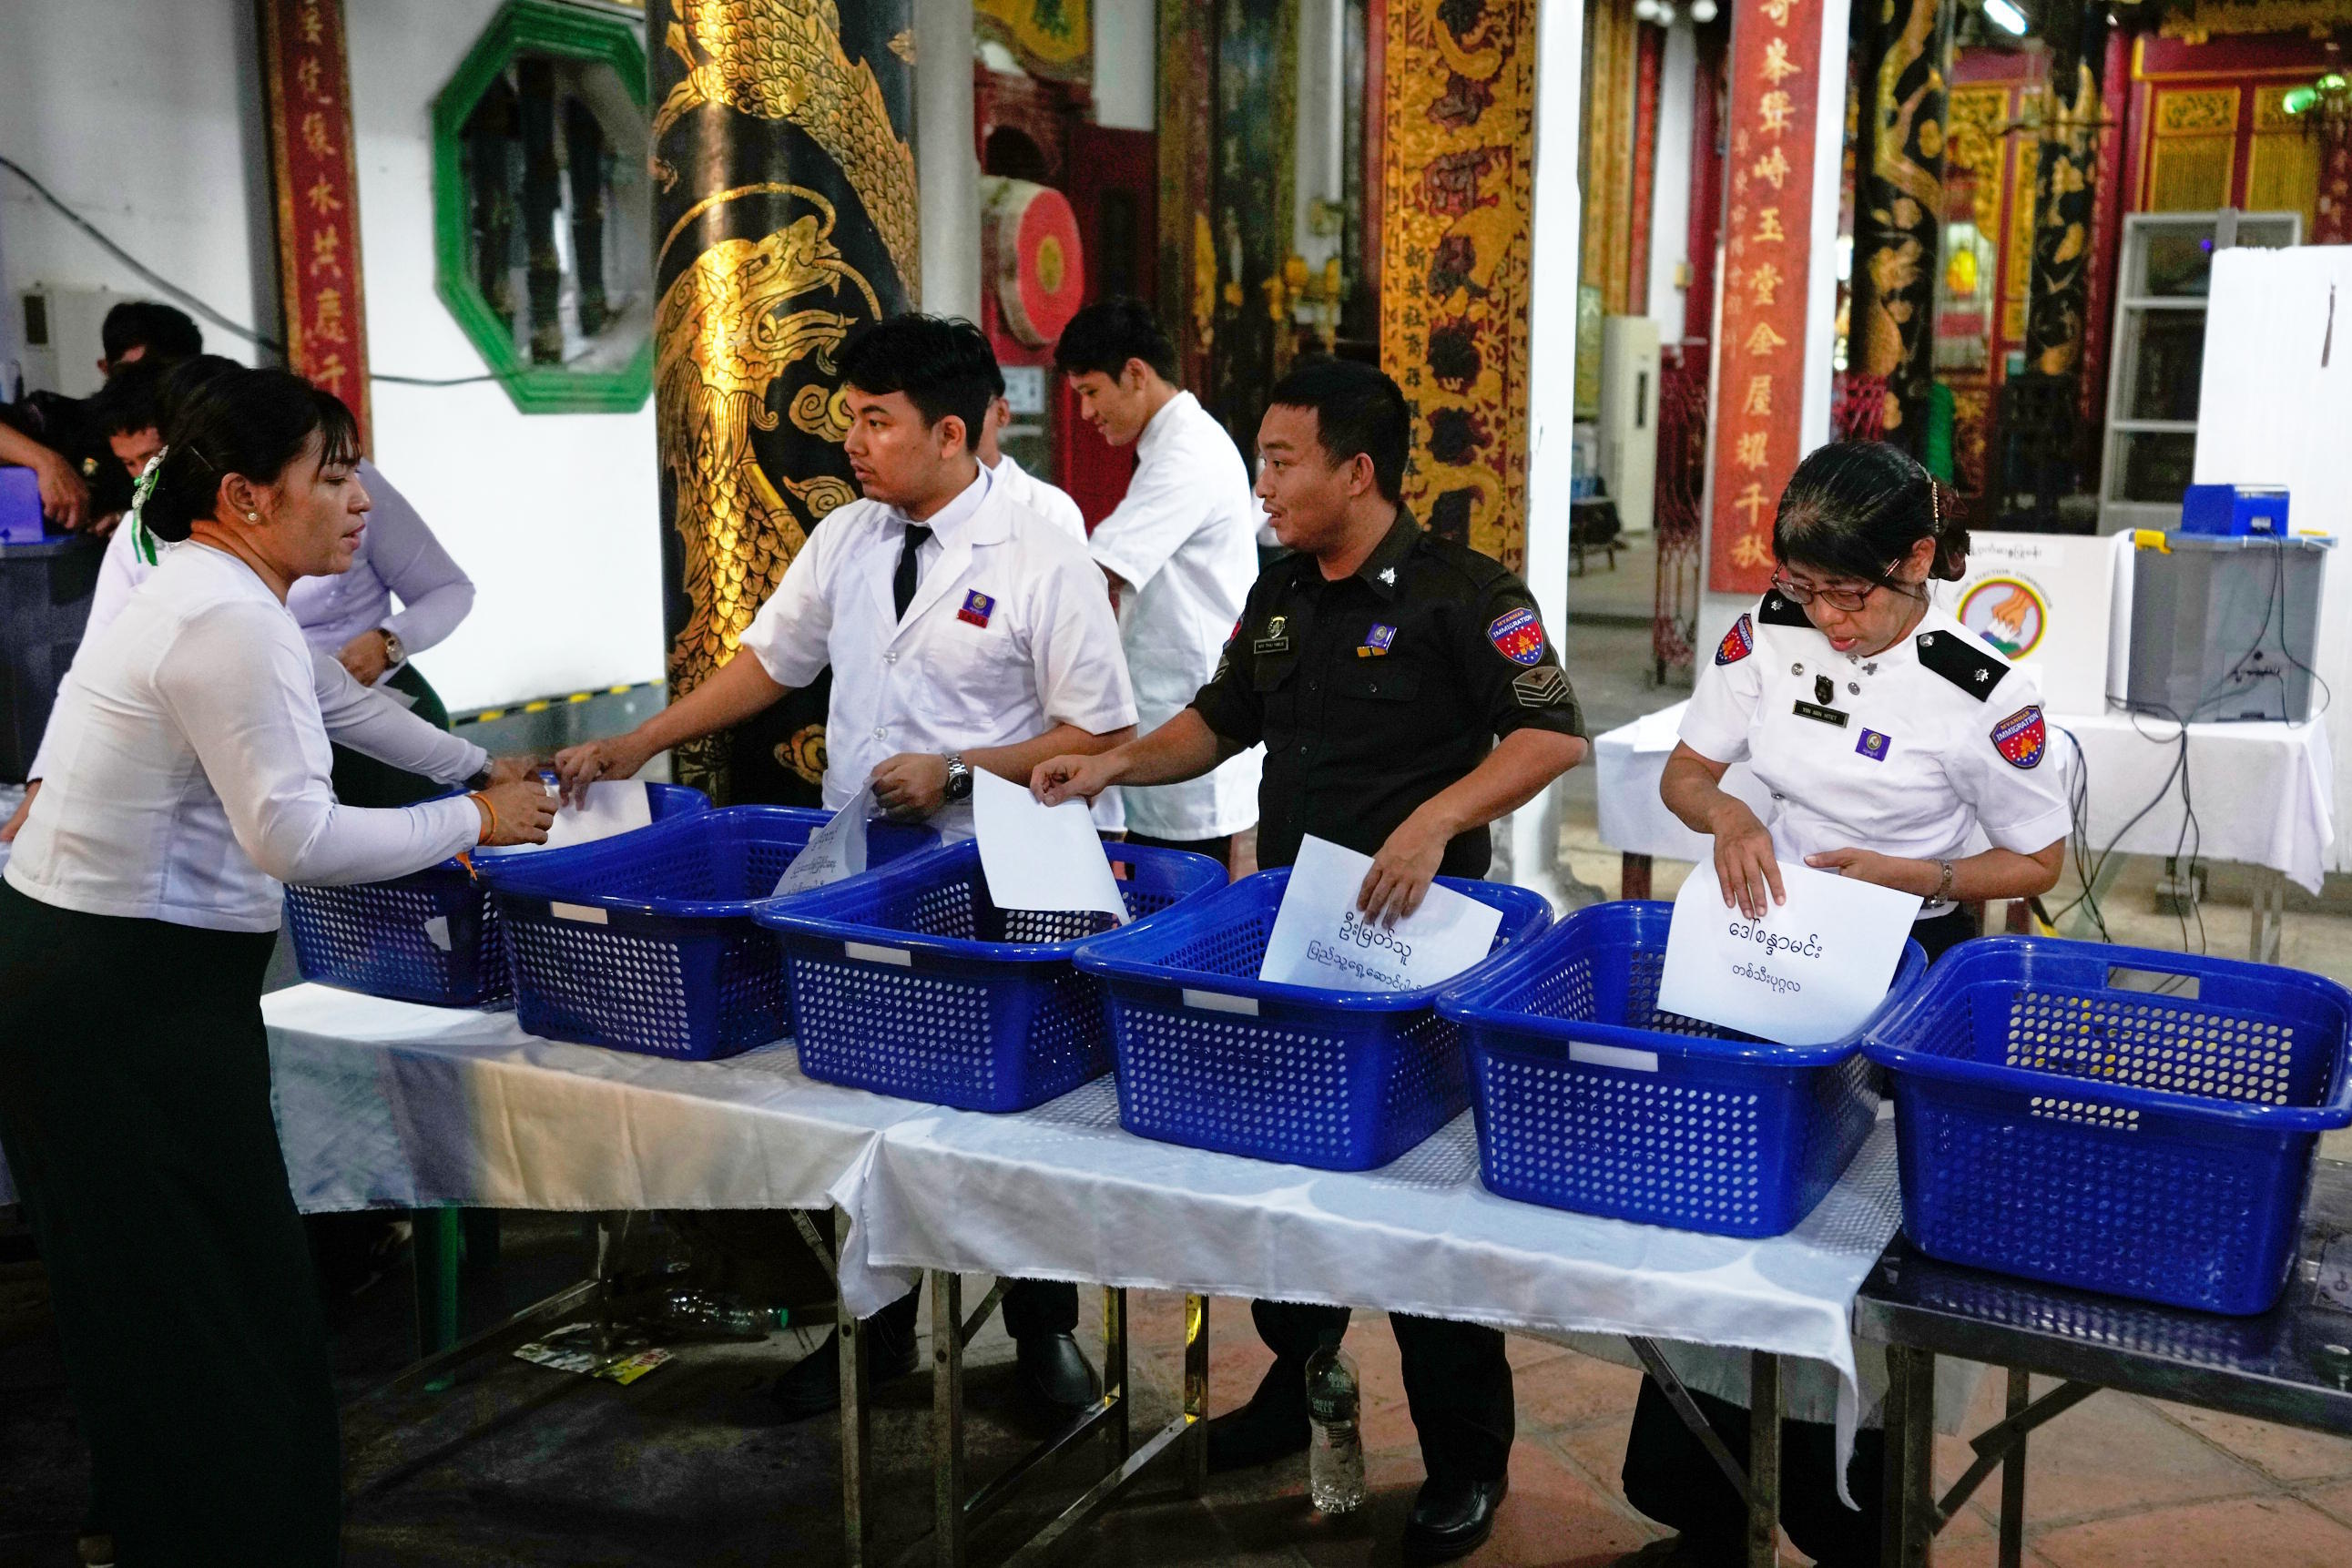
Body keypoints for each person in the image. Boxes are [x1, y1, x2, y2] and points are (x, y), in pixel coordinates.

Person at [1033, 357, 1589, 1563]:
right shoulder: (1282, 589)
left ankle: (1461, 1461)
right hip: (1294, 940)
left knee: (1419, 1221)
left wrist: (1436, 817)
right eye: (1259, 460)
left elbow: (1550, 733)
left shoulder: (1464, 595)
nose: (1263, 484)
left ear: (1355, 469)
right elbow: (1219, 717)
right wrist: (1115, 764)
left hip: (1417, 957)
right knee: (1281, 1189)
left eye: (1281, 462)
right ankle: (1294, 1386)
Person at [0, 367, 554, 1568]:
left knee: (147, 1283)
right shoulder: (225, 616)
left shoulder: (208, 580)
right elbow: (293, 837)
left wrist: (473, 770)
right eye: (333, 475)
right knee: (223, 1292)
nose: (359, 502)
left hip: (92, 970)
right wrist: (476, 823)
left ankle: (153, 1525)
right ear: (248, 495)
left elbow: (336, 707)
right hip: (125, 992)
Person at [553, 313, 1136, 1417]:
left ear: (954, 432)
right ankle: (876, 1338)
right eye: (850, 420)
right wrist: (642, 739)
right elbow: (771, 662)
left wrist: (961, 771)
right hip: (864, 873)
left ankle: (1041, 1330)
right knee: (859, 1107)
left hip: (999, 879)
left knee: (1004, 1117)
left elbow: (1100, 739)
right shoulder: (851, 537)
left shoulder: (1043, 550)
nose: (853, 444)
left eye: (877, 422)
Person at [1614, 441, 2067, 1568]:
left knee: (1857, 1240)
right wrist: (1730, 820)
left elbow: (2038, 860)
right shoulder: (1768, 631)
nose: (1824, 617)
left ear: (1919, 560)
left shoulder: (1981, 692)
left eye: (1848, 593)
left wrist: (1924, 877)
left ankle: (1847, 1509)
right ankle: (1709, 1497)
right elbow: (1687, 771)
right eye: (1804, 589)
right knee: (1727, 1207)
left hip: (1908, 960)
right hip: (1765, 944)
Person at [1, 352, 479, 840]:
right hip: (259, 751)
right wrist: (45, 784)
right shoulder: (221, 597)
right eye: (134, 464)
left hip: (376, 719)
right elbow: (92, 669)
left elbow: (335, 692)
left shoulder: (261, 586)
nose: (358, 499)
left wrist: (391, 643)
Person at [1055, 299, 1262, 869]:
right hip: (1171, 714)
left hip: (1190, 716)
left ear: (1137, 374)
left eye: (1092, 392)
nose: (1086, 413)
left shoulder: (1188, 451)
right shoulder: (1173, 444)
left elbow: (1099, 571)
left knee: (1180, 901)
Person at [0, 300, 209, 533]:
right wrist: (46, 462)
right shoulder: (64, 421)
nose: (149, 385)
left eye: (163, 374)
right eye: (133, 372)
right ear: (105, 368)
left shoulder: (211, 435)